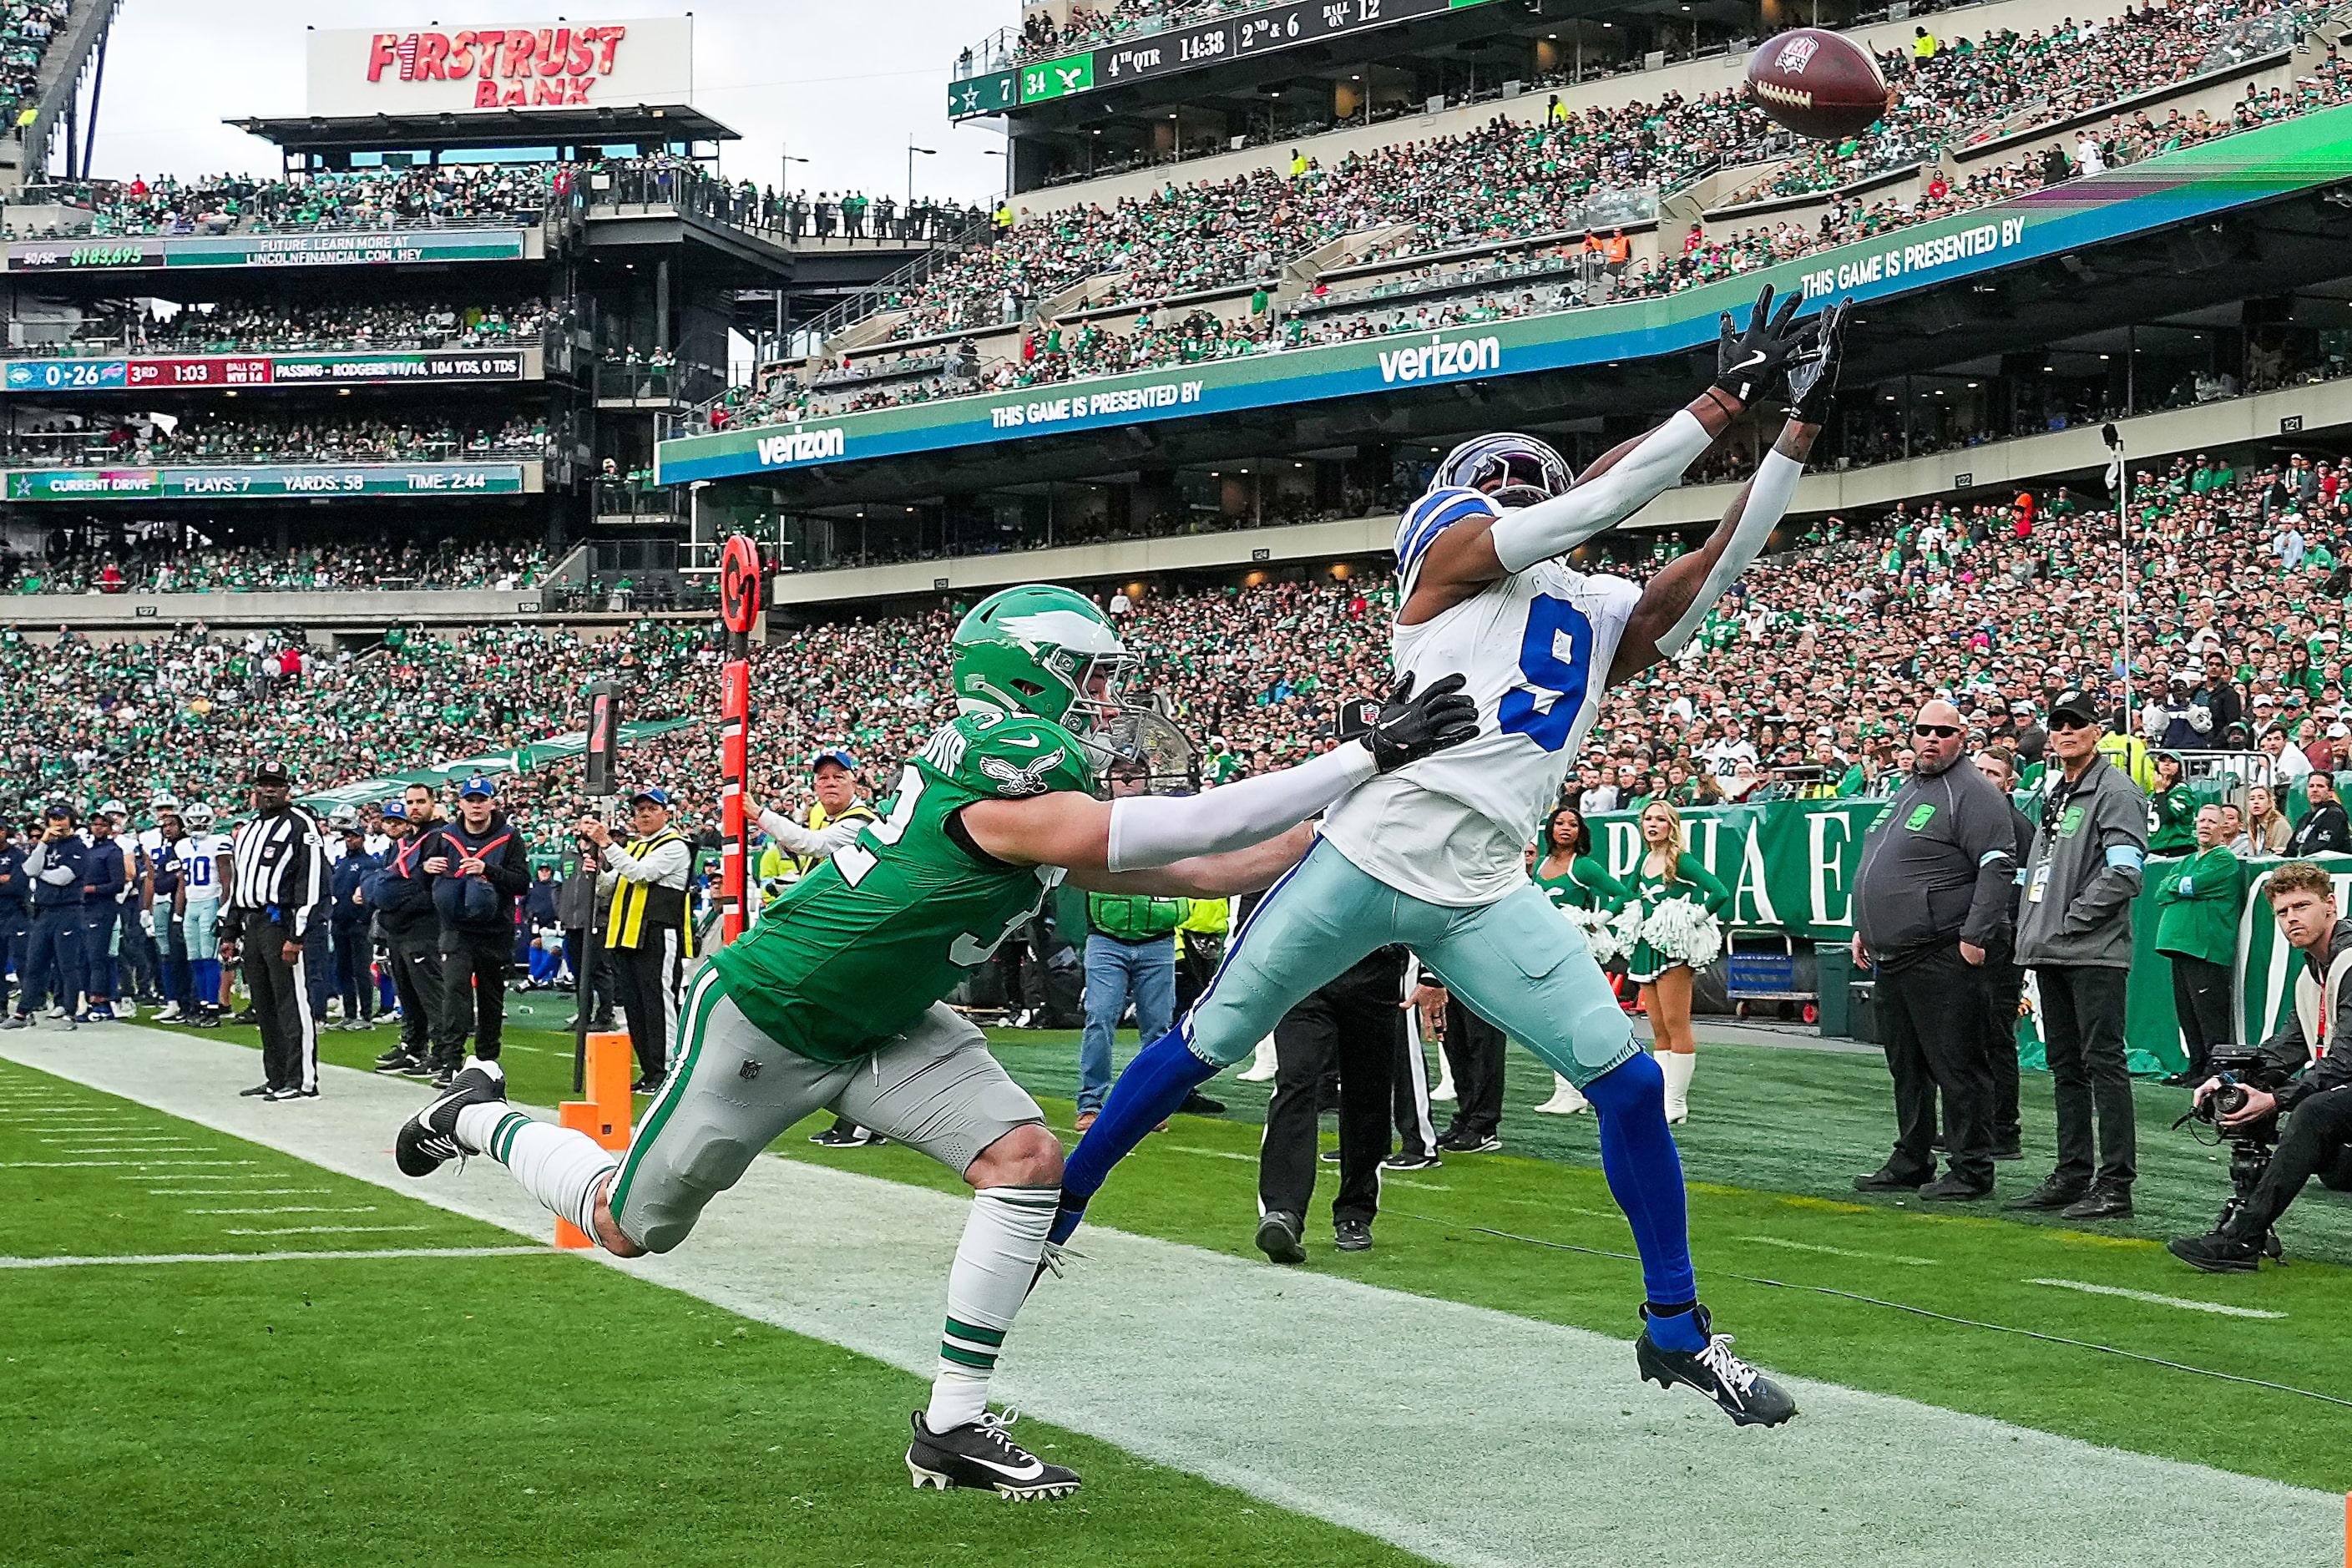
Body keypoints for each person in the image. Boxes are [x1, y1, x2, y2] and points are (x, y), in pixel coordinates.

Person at [392, 584, 1475, 1496]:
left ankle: (953, 1424)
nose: (1102, 700)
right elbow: (1186, 831)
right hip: (775, 1011)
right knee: (629, 1225)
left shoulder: (1026, 781)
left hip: (889, 1013)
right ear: (1031, 673)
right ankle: (473, 1116)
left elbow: (1211, 867)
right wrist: (1356, 752)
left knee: (1025, 1162)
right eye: (1084, 674)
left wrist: (1365, 798)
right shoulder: (1009, 768)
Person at [1060, 286, 1844, 1429]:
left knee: (1624, 1080)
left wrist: (1792, 432)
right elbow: (1605, 495)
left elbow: (1716, 567)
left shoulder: (1590, 600)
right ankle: (1060, 1210)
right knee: (1208, 1042)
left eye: (1538, 475)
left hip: (1484, 885)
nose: (1522, 491)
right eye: (1502, 478)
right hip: (1363, 853)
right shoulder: (1440, 555)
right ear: (1459, 497)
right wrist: (1725, 399)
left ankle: (1675, 1327)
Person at [1849, 701, 2022, 1201]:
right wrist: (1866, 926)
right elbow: (1879, 863)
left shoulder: (1974, 793)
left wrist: (1974, 936)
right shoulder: (1908, 788)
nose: (1930, 739)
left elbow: (1996, 866)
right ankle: (1912, 1157)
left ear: (1960, 737)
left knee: (1959, 1065)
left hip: (1942, 949)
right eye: (1922, 730)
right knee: (1907, 1065)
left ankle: (1972, 1168)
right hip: (1894, 952)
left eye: (1942, 732)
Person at [2167, 861, 2352, 1272]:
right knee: (2273, 1092)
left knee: (2313, 1112)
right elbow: (2284, 1049)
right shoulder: (2313, 974)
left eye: (2302, 906)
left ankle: (2241, 1239)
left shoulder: (2351, 963)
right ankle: (2249, 1219)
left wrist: (2273, 1099)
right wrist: (2230, 1078)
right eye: (2283, 913)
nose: (2292, 919)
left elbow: (2344, 1063)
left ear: (2331, 906)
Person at [2008, 689, 2148, 1222]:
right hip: (2055, 949)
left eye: (2076, 724)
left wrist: (2071, 921)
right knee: (2066, 1065)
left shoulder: (2115, 791)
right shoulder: (2057, 791)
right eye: (2057, 724)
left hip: (2092, 951)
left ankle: (2115, 1184)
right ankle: (2072, 1173)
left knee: (2103, 1063)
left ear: (2097, 731)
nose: (2065, 732)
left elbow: (2125, 871)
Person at [746, 749, 883, 1145]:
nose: (830, 783)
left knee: (849, 1028)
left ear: (855, 782)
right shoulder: (833, 817)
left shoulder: (859, 821)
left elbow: (811, 844)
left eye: (839, 776)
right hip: (835, 931)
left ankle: (862, 1122)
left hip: (857, 933)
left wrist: (758, 814)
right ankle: (852, 1119)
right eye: (823, 778)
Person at [1075, 758, 1188, 1132]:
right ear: (1108, 779)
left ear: (1146, 778)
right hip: (1106, 937)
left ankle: (1147, 1107)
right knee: (1100, 1019)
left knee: (1157, 1028)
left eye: (1133, 774)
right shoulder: (1096, 816)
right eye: (1119, 774)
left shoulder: (1163, 816)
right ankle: (1090, 1104)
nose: (1126, 780)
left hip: (1157, 939)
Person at [221, 762, 326, 1100]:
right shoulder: (249, 828)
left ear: (287, 789)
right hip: (253, 923)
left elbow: (310, 882)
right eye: (264, 784)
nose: (269, 790)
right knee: (264, 1005)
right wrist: (230, 931)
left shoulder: (301, 825)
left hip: (281, 921)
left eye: (276, 785)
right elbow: (241, 884)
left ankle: (301, 1080)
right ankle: (276, 1076)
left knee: (292, 1003)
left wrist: (297, 935)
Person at [581, 786, 695, 1095]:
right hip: (628, 935)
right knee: (635, 1005)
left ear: (666, 813)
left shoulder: (675, 846)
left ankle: (669, 1068)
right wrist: (597, 874)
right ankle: (649, 1068)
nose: (644, 814)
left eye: (651, 808)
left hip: (658, 932)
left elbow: (641, 874)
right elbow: (613, 886)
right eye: (639, 809)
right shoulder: (636, 846)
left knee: (659, 1002)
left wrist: (606, 844)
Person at [421, 776, 530, 1089]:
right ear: (461, 804)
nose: (477, 805)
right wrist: (428, 870)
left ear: (492, 803)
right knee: (454, 990)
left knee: (491, 995)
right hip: (456, 928)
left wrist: (488, 871)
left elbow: (522, 882)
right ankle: (451, 1061)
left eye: (482, 799)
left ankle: (486, 1061)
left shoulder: (509, 838)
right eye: (471, 800)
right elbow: (425, 880)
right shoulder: (444, 836)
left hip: (495, 929)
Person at [1531, 804, 1626, 1115]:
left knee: (1572, 1019)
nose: (1566, 829)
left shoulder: (1584, 866)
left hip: (1572, 949)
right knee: (1551, 1021)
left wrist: (1597, 921)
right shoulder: (1540, 865)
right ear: (1551, 829)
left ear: (1580, 832)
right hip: (1543, 947)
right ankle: (1564, 1090)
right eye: (1560, 823)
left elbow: (1622, 894)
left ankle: (1577, 1092)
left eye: (1573, 824)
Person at [1969, 749, 2035, 1160]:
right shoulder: (1968, 820)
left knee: (1996, 1037)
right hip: (1973, 941)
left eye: (1993, 773)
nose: (1983, 777)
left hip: (2001, 947)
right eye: (1978, 771)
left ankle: (2004, 1129)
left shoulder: (2018, 827)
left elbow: (2019, 896)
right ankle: (1974, 1125)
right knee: (1969, 1037)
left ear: (2009, 784)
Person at [2153, 803, 2248, 1088]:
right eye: (2201, 820)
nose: (2205, 825)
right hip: (2181, 947)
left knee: (2210, 1018)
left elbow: (2193, 885)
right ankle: (2196, 1067)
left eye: (2212, 821)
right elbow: (2160, 891)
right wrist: (2178, 886)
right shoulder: (2187, 860)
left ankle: (2216, 1072)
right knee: (2188, 1014)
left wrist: (2178, 887)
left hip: (2207, 949)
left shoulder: (2224, 861)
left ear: (2224, 829)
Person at [368, 802, 443, 1075]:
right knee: (408, 993)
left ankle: (442, 1053)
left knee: (430, 994)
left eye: (399, 822)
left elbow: (428, 889)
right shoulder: (396, 849)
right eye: (390, 821)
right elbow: (380, 883)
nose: (395, 826)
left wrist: (398, 907)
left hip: (421, 929)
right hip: (398, 930)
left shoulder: (430, 844)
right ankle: (413, 1048)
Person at [7, 803, 89, 1030]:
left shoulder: (78, 847)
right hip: (44, 911)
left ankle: (70, 1013)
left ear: (71, 821)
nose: (57, 823)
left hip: (68, 910)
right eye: (52, 818)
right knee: (34, 964)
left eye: (61, 818)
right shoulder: (45, 846)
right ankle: (24, 1013)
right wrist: (42, 843)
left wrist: (40, 873)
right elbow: (28, 869)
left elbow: (64, 877)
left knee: (67, 965)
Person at [177, 802, 230, 1027]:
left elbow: (228, 880)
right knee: (195, 959)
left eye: (203, 820)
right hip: (192, 903)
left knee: (209, 959)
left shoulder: (220, 842)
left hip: (210, 901)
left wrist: (224, 910)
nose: (198, 824)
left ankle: (212, 1009)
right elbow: (182, 881)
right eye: (194, 820)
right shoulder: (181, 846)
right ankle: (201, 1004)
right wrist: (177, 913)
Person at [327, 815, 380, 1031]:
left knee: (361, 970)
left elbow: (371, 893)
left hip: (359, 923)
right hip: (340, 922)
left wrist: (363, 917)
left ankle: (365, 1015)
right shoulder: (342, 863)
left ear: (363, 838)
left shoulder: (370, 863)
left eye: (355, 836)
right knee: (343, 970)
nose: (351, 840)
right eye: (348, 836)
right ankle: (349, 1013)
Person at [2287, 771, 2350, 855]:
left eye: (2320, 786)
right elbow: (2292, 848)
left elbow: (2323, 848)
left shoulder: (2335, 815)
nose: (2315, 790)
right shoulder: (2305, 818)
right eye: (2311, 786)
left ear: (2330, 792)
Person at [0, 819, 27, 1020]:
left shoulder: (17, 855)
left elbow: (18, 885)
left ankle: (27, 1008)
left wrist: (10, 881)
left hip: (16, 913)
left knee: (22, 962)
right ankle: (1, 1007)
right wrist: (4, 878)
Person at [2147, 752, 2196, 856]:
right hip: (2154, 849)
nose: (2167, 764)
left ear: (2179, 767)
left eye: (2172, 761)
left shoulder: (2182, 791)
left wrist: (2160, 792)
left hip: (2177, 849)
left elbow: (2168, 816)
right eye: (2163, 761)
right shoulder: (2152, 795)